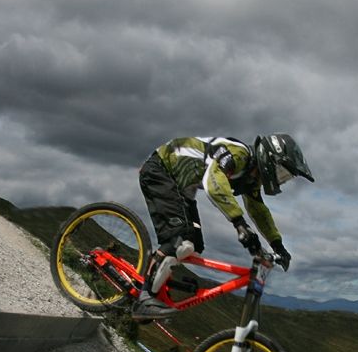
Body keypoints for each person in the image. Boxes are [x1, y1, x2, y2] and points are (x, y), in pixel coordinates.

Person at [135, 134, 314, 317]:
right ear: (269, 158)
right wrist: (239, 224)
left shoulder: (251, 178)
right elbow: (214, 182)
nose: (280, 180)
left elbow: (259, 211)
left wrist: (278, 245)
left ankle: (158, 282)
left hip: (180, 188)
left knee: (194, 246)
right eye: (282, 173)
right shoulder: (239, 154)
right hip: (160, 170)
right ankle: (145, 296)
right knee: (178, 241)